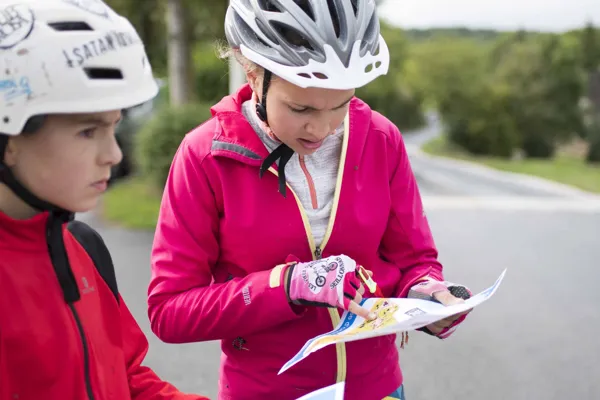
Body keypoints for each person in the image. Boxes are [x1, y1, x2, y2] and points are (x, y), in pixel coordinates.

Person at [148, 1, 472, 399]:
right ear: (252, 71)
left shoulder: (381, 139)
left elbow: (414, 262)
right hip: (264, 391)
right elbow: (169, 312)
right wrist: (286, 286)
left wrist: (428, 296)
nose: (322, 128)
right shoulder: (205, 156)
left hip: (377, 388)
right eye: (300, 108)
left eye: (340, 105)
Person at [0, 1, 209, 399]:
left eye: (113, 128)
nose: (113, 154)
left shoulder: (81, 245)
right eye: (86, 132)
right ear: (9, 139)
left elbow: (127, 378)